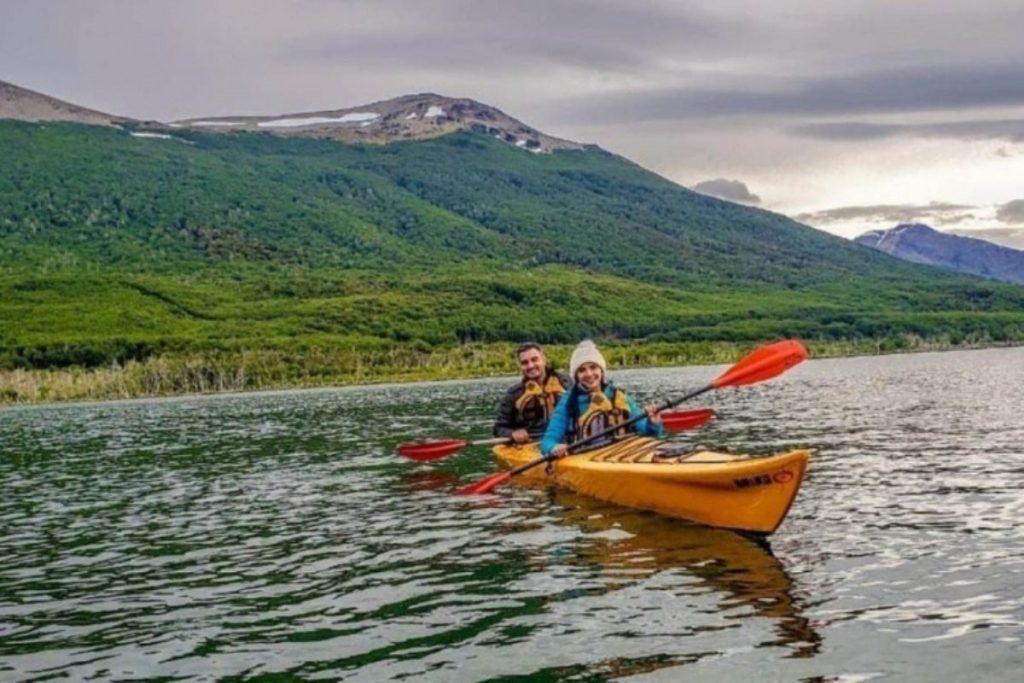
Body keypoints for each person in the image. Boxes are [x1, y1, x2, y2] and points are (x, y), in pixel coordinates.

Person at [541, 339, 663, 458]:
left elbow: (648, 432)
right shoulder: (568, 401)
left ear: (601, 370)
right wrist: (554, 448)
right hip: (586, 458)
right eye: (582, 370)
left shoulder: (619, 396)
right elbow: (547, 442)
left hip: (622, 454)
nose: (589, 374)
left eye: (593, 367)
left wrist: (653, 423)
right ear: (576, 375)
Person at [493, 342, 572, 444]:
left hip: (566, 440)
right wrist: (512, 433)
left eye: (534, 360)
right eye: (525, 363)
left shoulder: (566, 383)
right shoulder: (513, 394)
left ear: (543, 359)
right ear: (520, 366)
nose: (530, 366)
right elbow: (499, 428)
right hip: (532, 444)